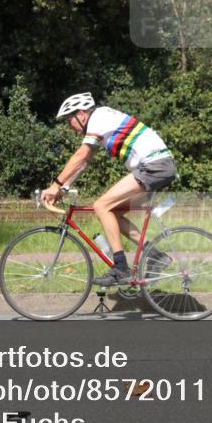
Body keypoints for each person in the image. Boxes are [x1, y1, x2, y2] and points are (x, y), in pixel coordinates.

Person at [42, 92, 175, 286]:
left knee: (102, 206)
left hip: (154, 166)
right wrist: (65, 187)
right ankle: (156, 256)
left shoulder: (99, 118)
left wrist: (55, 185)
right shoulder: (101, 120)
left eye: (69, 120)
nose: (69, 127)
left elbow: (81, 155)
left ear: (81, 114)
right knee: (114, 212)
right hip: (156, 167)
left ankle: (120, 268)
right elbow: (84, 162)